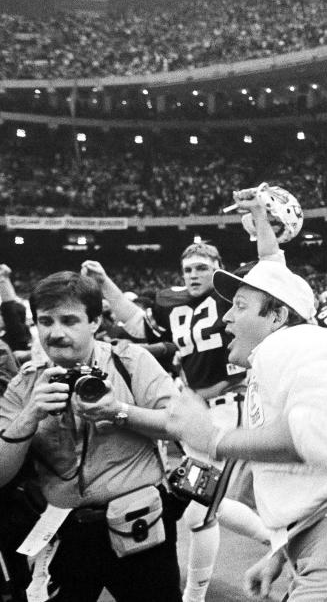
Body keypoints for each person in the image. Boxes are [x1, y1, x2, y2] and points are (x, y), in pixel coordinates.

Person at [165, 259, 327, 602]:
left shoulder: (293, 343)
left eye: (240, 306)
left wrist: (214, 439)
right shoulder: (294, 351)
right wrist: (281, 553)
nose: (226, 317)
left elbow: (319, 436)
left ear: (277, 317)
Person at [83, 235, 270, 602]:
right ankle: (276, 539)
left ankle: (195, 595)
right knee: (205, 501)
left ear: (219, 267)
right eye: (188, 269)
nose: (193, 274)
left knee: (198, 510)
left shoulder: (233, 299)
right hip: (195, 415)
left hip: (228, 408)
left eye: (202, 267)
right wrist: (105, 283)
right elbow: (138, 323)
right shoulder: (174, 302)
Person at [0, 271, 181, 601]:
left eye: (70, 321)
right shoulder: (24, 385)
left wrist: (118, 412)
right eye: (45, 321)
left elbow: (180, 425)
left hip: (138, 527)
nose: (56, 333)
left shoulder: (131, 362)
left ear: (96, 322)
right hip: (61, 535)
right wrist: (29, 417)